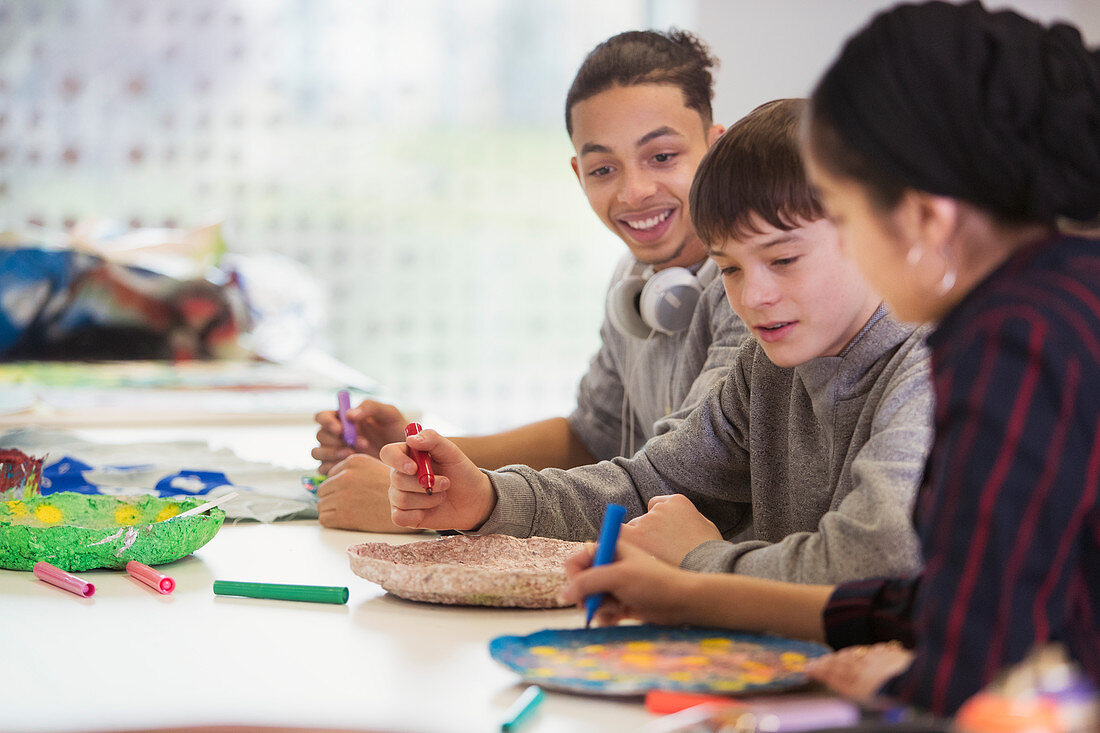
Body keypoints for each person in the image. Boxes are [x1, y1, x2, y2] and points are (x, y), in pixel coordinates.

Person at [559, 0, 1100, 716]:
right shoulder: (1063, 290)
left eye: (841, 216)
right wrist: (695, 591)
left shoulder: (1012, 338)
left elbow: (970, 669)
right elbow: (944, 595)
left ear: (925, 218)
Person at [381, 98, 933, 584]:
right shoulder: (765, 366)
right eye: (730, 269)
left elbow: (874, 562)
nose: (755, 296)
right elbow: (652, 486)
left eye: (784, 259)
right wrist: (489, 498)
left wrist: (699, 557)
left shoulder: (935, 369)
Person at [311, 30, 747, 532]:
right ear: (577, 173)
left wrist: (446, 507)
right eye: (603, 167)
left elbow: (684, 481)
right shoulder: (633, 281)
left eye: (663, 156)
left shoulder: (750, 290)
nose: (635, 191)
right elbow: (590, 437)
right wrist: (418, 459)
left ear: (717, 149)